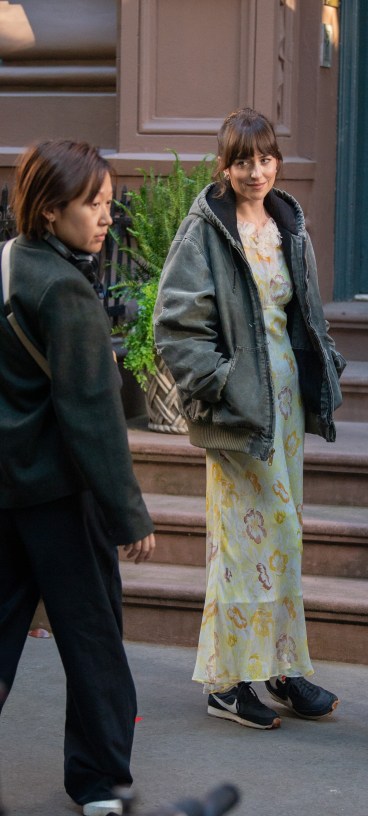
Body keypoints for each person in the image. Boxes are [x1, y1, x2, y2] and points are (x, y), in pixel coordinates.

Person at [154, 108, 345, 730]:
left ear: (277, 162)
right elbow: (174, 327)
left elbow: (302, 311)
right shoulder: (205, 231)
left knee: (283, 535)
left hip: (285, 406)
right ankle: (226, 682)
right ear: (224, 166)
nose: (256, 171)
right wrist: (220, 387)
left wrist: (326, 361)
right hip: (239, 410)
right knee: (242, 542)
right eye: (242, 161)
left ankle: (282, 668)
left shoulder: (288, 222)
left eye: (265, 159)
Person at [0, 140, 155, 816]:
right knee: (92, 639)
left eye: (109, 203)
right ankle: (99, 782)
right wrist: (130, 516)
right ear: (49, 209)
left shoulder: (9, 262)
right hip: (64, 497)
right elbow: (93, 418)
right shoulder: (66, 289)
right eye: (93, 204)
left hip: (7, 490)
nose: (106, 217)